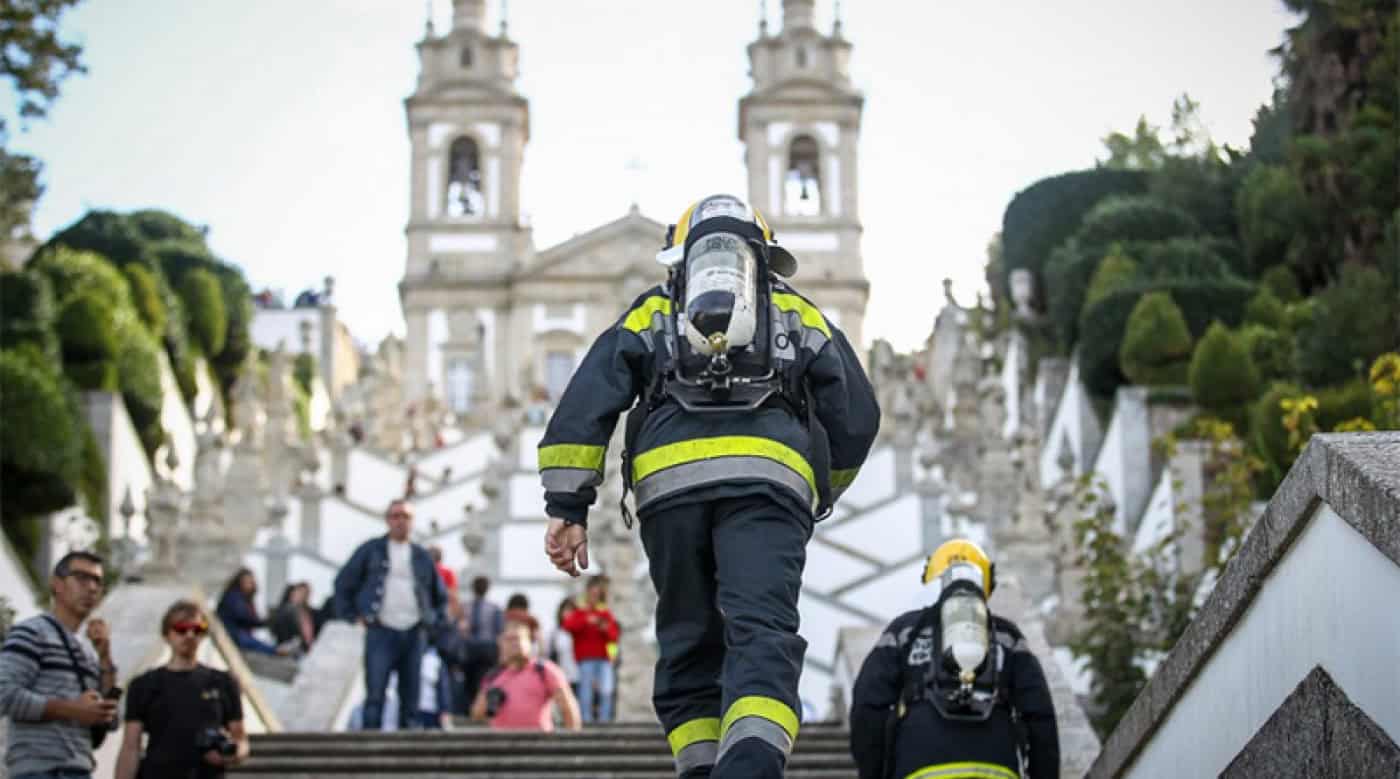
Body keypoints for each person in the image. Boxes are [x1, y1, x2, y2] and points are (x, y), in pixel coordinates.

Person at [541, 194, 879, 778]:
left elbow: (587, 401)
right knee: (760, 633)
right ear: (765, 258)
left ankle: (700, 770)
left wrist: (568, 505)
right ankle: (747, 768)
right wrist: (820, 488)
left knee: (688, 641)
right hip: (767, 485)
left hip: (669, 492)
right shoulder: (798, 313)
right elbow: (856, 414)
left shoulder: (652, 312)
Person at [849, 540, 1060, 779]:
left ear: (933, 579)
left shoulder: (904, 632)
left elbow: (867, 707)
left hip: (920, 765)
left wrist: (874, 772)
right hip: (996, 766)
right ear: (986, 582)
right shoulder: (1007, 637)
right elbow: (1040, 716)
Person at [0, 551, 119, 779]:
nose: (92, 588)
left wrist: (105, 658)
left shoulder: (89, 653)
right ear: (57, 584)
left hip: (79, 769)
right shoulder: (31, 632)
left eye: (97, 581)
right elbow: (5, 695)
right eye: (82, 578)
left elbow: (111, 721)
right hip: (38, 770)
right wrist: (73, 710)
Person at [333, 498, 450, 730]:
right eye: (395, 516)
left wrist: (432, 623)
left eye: (405, 516)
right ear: (387, 520)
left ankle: (410, 755)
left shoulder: (421, 556)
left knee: (411, 696)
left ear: (412, 522)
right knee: (375, 693)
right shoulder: (370, 550)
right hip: (380, 629)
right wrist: (352, 615)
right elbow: (343, 583)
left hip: (414, 632)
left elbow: (440, 596)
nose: (400, 521)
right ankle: (369, 751)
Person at [115, 601, 250, 779]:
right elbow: (130, 747)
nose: (189, 635)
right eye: (181, 628)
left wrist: (231, 753)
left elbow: (240, 738)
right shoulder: (143, 684)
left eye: (197, 629)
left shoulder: (223, 682)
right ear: (166, 634)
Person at [470, 621, 581, 732]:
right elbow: (477, 714)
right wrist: (490, 700)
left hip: (539, 744)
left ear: (529, 642)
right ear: (501, 644)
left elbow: (568, 707)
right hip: (502, 744)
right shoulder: (493, 676)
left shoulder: (544, 670)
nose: (514, 643)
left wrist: (571, 739)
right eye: (509, 639)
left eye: (518, 638)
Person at [561, 576, 619, 724]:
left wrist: (603, 627)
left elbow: (614, 636)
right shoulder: (580, 613)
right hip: (585, 658)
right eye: (591, 594)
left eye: (596, 594)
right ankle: (585, 718)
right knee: (585, 690)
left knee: (606, 690)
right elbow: (567, 626)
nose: (594, 597)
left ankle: (604, 720)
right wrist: (586, 620)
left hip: (604, 658)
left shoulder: (605, 614)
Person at [215, 568, 279, 656]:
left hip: (236, 634)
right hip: (231, 634)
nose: (250, 585)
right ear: (239, 582)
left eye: (251, 582)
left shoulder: (242, 598)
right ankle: (276, 651)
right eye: (247, 582)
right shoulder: (234, 597)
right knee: (260, 646)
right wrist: (265, 622)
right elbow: (244, 619)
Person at [462, 575, 504, 706]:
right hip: (474, 649)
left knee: (483, 679)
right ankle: (474, 705)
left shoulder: (467, 607)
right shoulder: (467, 607)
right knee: (474, 679)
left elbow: (499, 631)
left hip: (484, 650)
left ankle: (480, 705)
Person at [546, 598, 581, 700]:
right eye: (566, 610)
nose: (568, 613)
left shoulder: (582, 632)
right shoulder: (555, 633)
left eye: (572, 610)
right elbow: (548, 654)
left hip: (579, 677)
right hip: (561, 678)